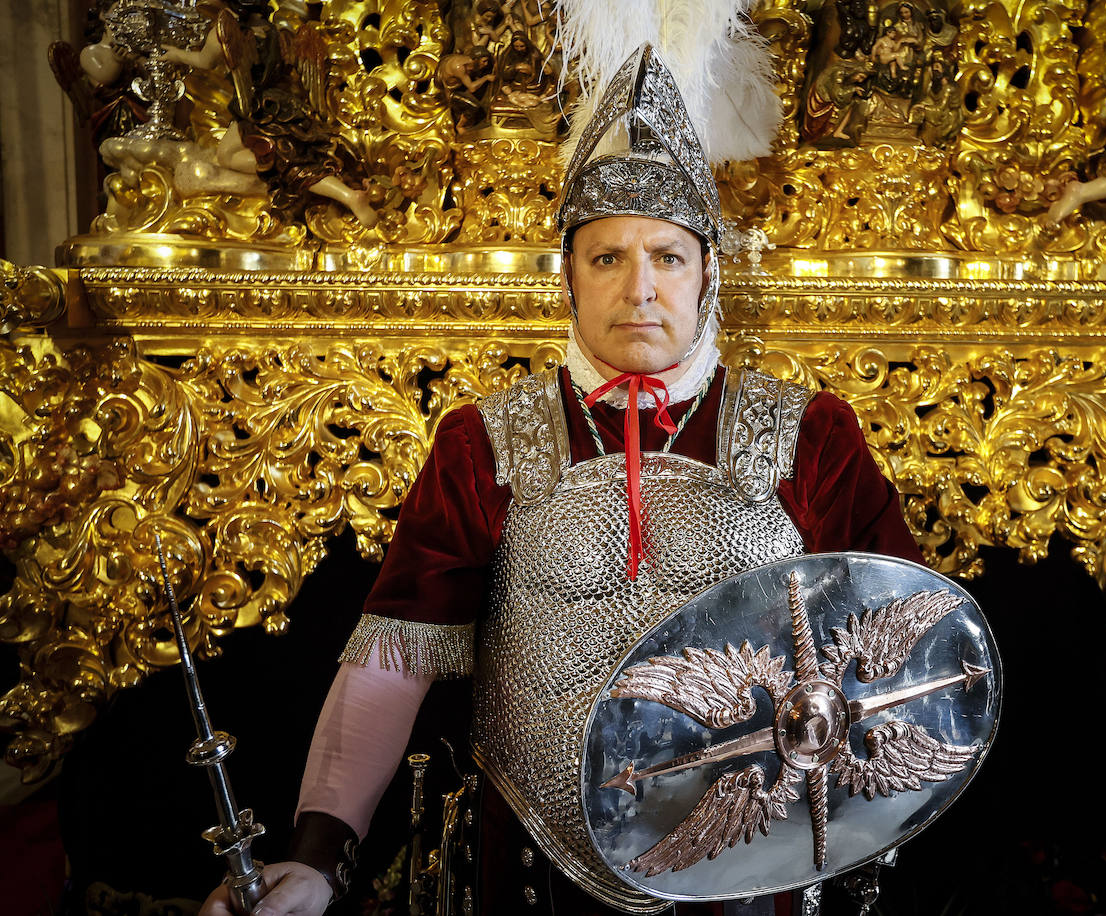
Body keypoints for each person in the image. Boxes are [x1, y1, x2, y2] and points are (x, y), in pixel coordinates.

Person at [199, 45, 923, 916]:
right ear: (568, 279)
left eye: (668, 257)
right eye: (607, 258)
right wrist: (319, 860)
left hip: (758, 874)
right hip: (538, 872)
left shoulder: (811, 433)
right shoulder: (483, 443)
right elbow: (392, 660)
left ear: (709, 277)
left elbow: (908, 648)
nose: (640, 289)